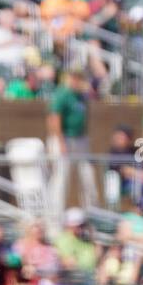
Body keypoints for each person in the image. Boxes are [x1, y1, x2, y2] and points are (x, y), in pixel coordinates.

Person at [46, 68, 97, 208]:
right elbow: (54, 118)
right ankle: (55, 213)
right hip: (64, 139)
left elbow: (94, 96)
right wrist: (60, 142)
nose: (78, 80)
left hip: (80, 139)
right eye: (75, 77)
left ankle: (92, 212)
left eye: (80, 77)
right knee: (61, 178)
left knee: (87, 176)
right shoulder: (63, 93)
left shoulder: (80, 95)